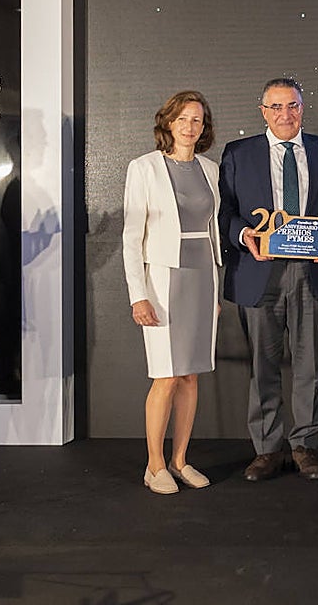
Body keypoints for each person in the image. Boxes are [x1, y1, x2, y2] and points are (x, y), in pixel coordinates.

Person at [218, 78, 318, 482]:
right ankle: (267, 449)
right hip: (260, 271)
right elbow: (224, 212)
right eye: (275, 107)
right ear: (263, 112)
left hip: (314, 271)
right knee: (263, 366)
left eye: (292, 105)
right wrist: (245, 235)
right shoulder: (238, 154)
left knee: (310, 365)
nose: (285, 114)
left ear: (302, 108)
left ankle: (305, 445)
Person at [123, 90, 222, 495]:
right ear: (168, 122)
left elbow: (213, 231)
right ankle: (155, 465)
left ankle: (180, 460)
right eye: (182, 118)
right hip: (163, 280)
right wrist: (138, 295)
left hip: (203, 278)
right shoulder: (144, 168)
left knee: (190, 375)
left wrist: (216, 294)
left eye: (197, 119)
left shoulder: (211, 170)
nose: (189, 126)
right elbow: (131, 238)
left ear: (204, 126)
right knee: (165, 375)